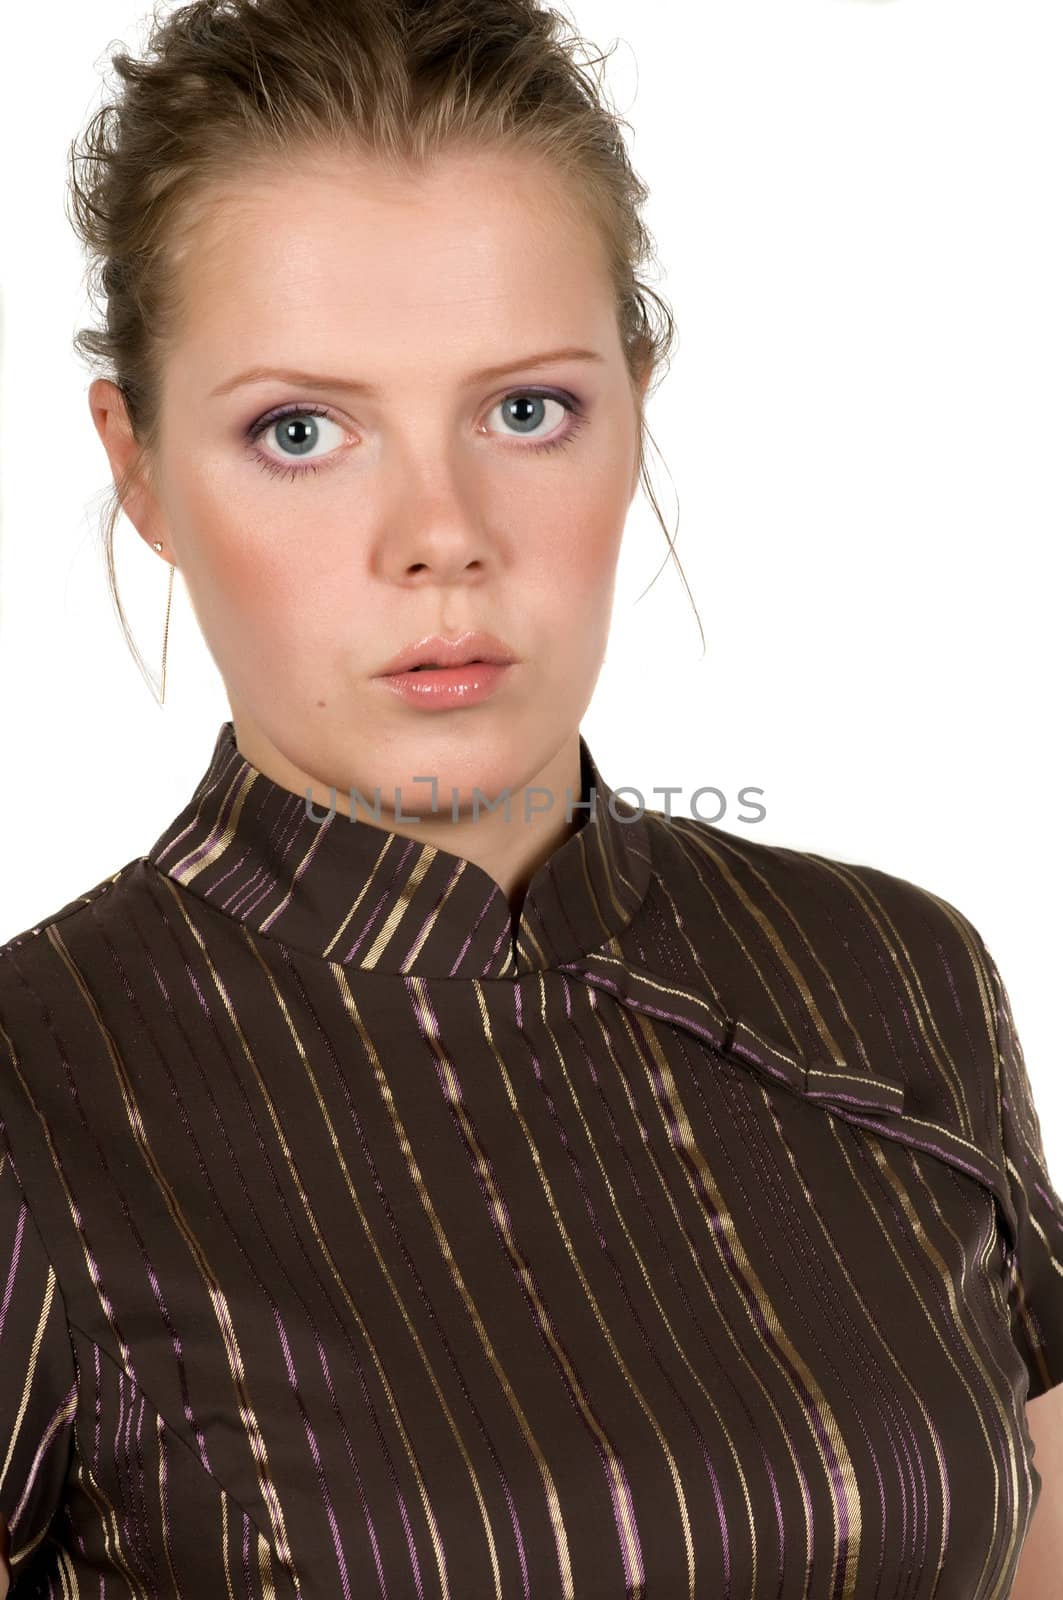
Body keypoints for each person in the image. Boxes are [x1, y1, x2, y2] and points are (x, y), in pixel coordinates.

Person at [2, 0, 1061, 1594]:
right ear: (138, 464)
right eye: (300, 431)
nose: (442, 532)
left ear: (632, 408)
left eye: (525, 410)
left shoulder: (892, 974)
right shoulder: (36, 1104)